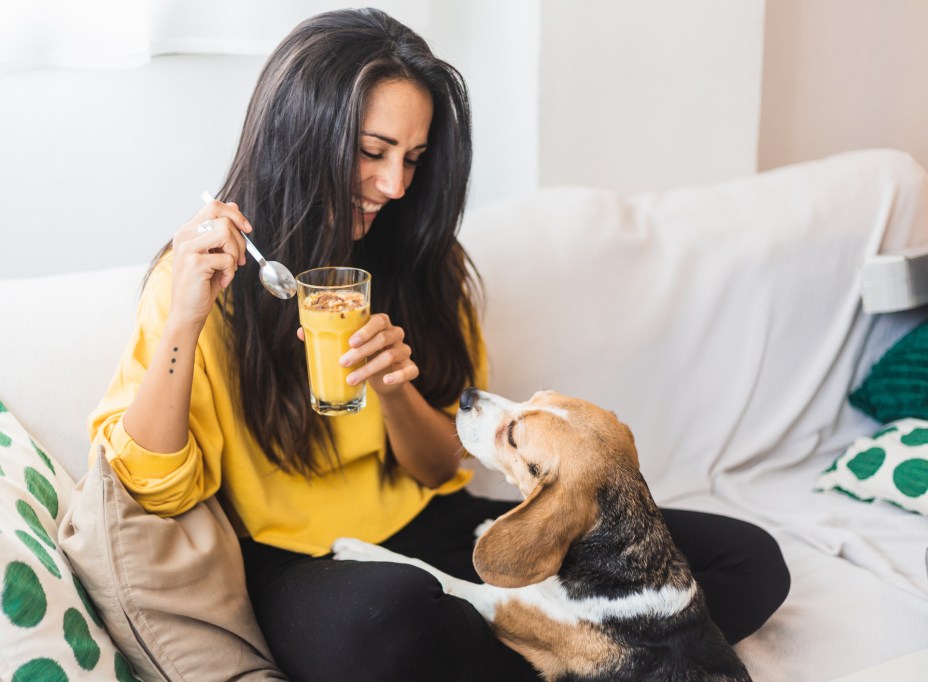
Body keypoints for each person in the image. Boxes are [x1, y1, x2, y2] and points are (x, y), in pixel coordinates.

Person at [89, 7, 790, 682]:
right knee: (383, 624)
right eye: (372, 152)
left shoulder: (424, 261)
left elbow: (437, 472)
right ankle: (583, 653)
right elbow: (153, 486)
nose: (395, 185)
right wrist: (183, 319)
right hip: (301, 562)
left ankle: (555, 648)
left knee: (745, 562)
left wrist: (396, 389)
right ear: (302, 135)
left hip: (432, 527)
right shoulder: (204, 280)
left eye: (414, 159)